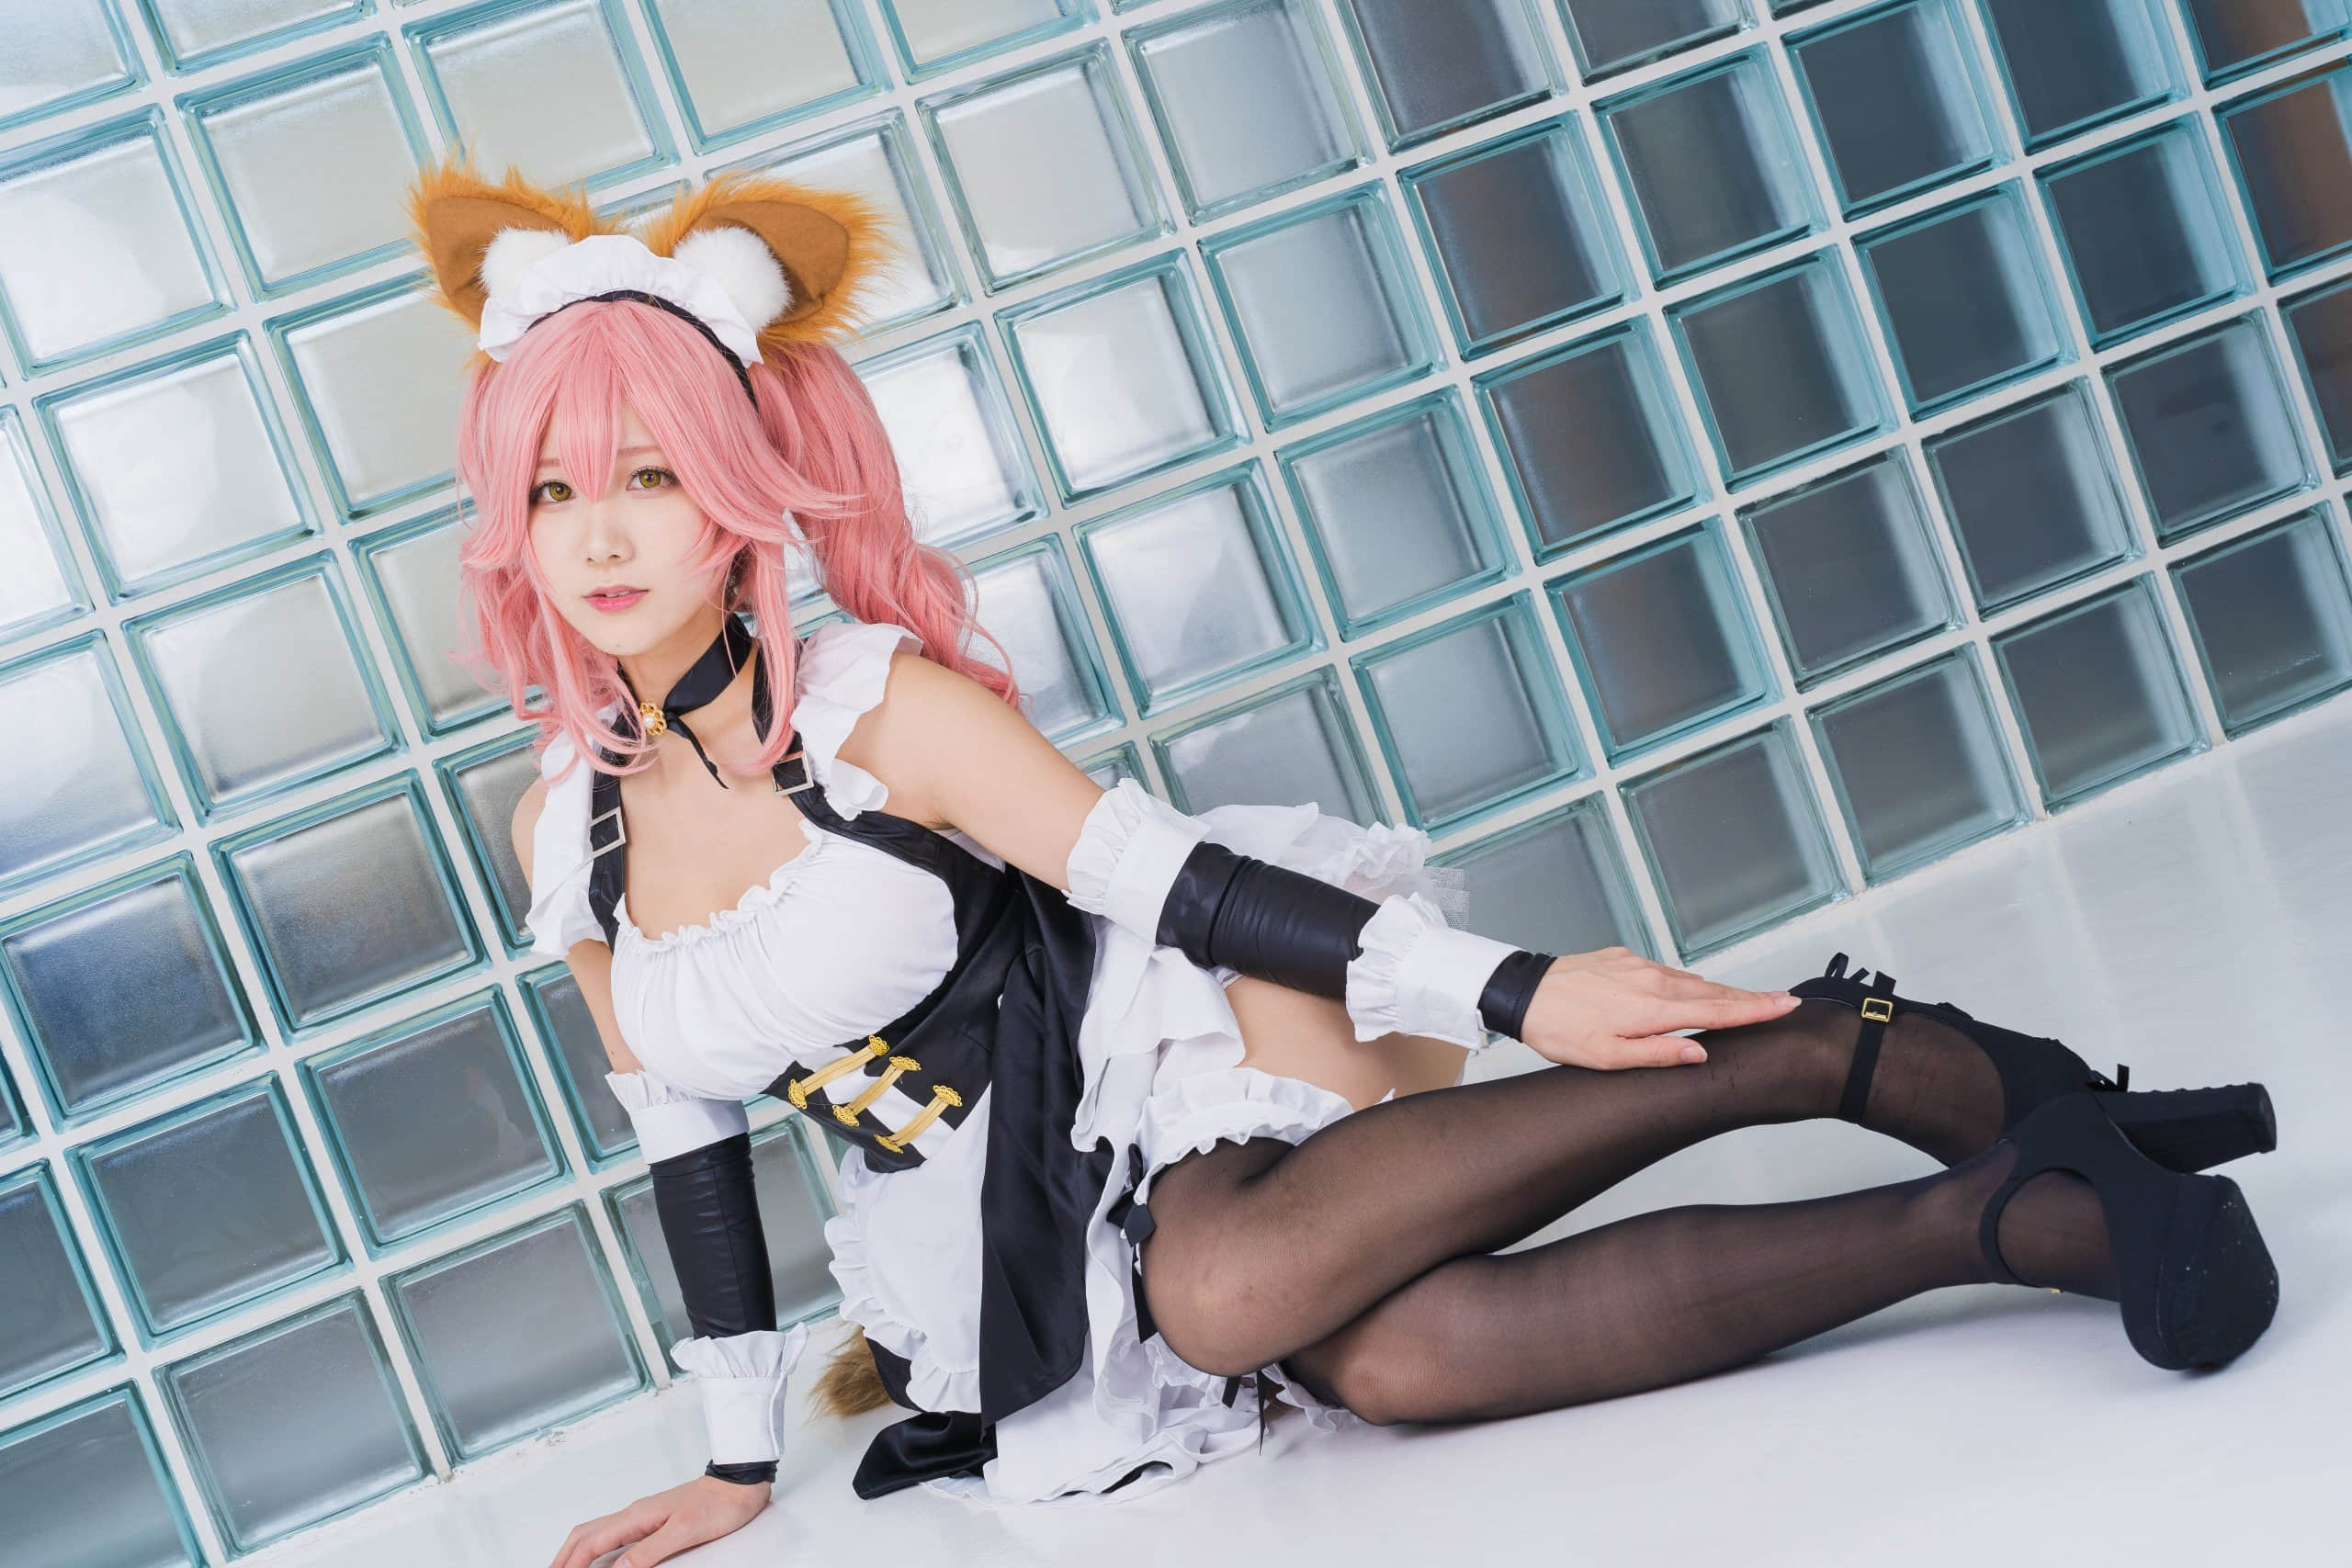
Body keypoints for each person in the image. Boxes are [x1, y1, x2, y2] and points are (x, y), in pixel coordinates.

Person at [402, 156, 2282, 1568]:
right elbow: (686, 1139)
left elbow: (1170, 884)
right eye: (554, 490)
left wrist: (1520, 992)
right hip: (993, 1222)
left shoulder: (877, 709)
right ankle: (2023, 1211)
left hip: (1167, 1049)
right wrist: (734, 1465)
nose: (597, 537)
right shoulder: (561, 822)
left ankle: (1825, 1046)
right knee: (1392, 1366)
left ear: (736, 488)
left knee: (1228, 1294)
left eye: (647, 475)